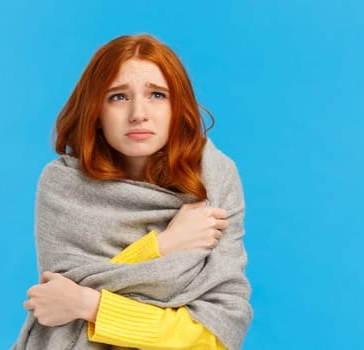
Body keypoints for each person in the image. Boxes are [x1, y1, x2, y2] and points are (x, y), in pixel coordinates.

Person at [13, 33, 252, 350]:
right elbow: (56, 301)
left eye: (157, 95)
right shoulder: (62, 186)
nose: (139, 113)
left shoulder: (214, 180)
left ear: (177, 106)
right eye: (118, 97)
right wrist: (164, 245)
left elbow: (215, 333)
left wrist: (90, 305)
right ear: (96, 112)